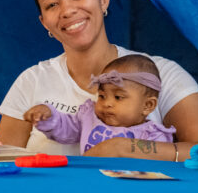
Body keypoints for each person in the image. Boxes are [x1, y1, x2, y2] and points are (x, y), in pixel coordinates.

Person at [0, 0, 198, 160]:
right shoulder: (31, 81)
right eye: (52, 5)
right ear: (45, 23)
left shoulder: (161, 74)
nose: (67, 10)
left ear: (103, 0)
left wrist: (123, 147)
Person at [23, 53, 177, 155]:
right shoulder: (89, 117)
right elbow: (66, 129)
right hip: (90, 183)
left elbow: (159, 165)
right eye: (102, 96)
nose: (107, 103)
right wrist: (48, 115)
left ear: (147, 106)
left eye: (118, 97)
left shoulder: (154, 136)